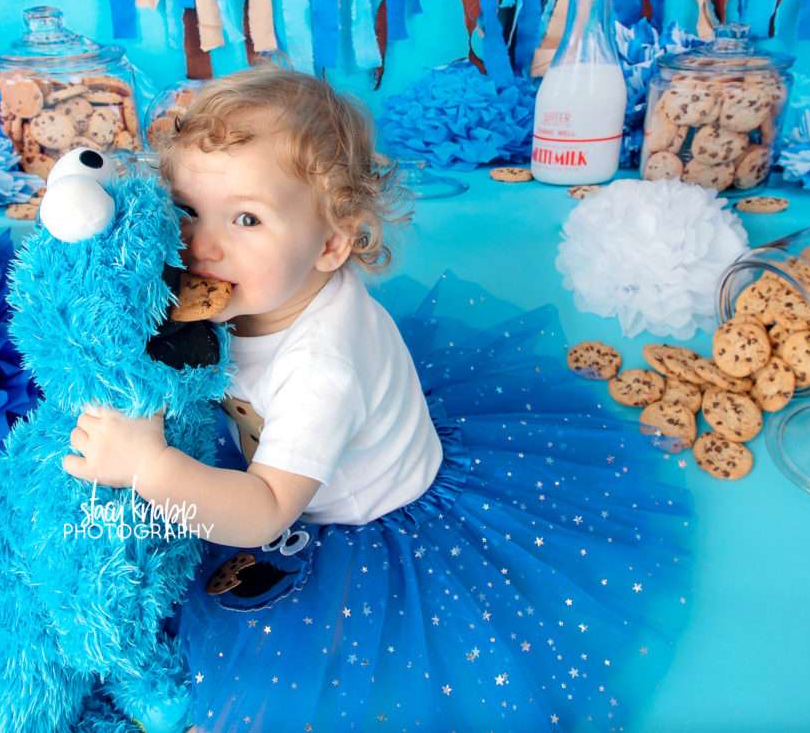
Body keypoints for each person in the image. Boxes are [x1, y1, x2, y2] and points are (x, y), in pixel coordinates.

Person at [62, 65, 694, 732]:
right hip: (280, 452)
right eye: (188, 209)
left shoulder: (322, 370)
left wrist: (147, 467)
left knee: (310, 670)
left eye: (247, 217)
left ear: (332, 243)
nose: (204, 244)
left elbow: (261, 515)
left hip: (353, 515)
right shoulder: (243, 284)